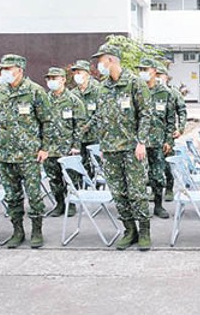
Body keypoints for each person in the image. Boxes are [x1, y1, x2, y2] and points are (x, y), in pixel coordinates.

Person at [92, 44, 152, 251]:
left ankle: (144, 231)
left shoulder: (134, 83)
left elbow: (146, 113)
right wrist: (102, 143)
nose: (98, 65)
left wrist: (141, 141)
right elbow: (100, 118)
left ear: (111, 60)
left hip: (131, 148)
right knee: (118, 192)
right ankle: (129, 230)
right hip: (110, 149)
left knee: (137, 191)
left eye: (100, 60)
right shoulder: (103, 87)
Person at [0, 54, 52, 248]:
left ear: (19, 70)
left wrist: (45, 147)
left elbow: (47, 121)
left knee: (34, 195)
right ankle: (17, 230)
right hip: (6, 154)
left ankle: (37, 230)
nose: (5, 72)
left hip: (29, 154)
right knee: (11, 195)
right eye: (3, 69)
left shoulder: (35, 91)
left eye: (9, 69)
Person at [42, 67, 87, 218]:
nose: (51, 81)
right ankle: (59, 203)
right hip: (49, 147)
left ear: (63, 79)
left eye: (54, 78)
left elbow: (80, 125)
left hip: (67, 147)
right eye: (49, 79)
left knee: (70, 177)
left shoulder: (74, 100)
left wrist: (76, 145)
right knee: (54, 178)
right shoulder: (44, 100)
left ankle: (71, 203)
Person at [137, 58, 175, 219]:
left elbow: (170, 119)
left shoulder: (165, 93)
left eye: (145, 69)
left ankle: (158, 206)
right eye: (140, 69)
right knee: (138, 176)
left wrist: (169, 140)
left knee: (158, 175)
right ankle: (140, 209)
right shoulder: (136, 90)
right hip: (140, 142)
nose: (142, 72)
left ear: (154, 71)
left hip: (158, 141)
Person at [70, 60, 100, 177]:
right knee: (81, 167)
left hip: (94, 135)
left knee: (97, 166)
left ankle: (96, 190)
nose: (77, 75)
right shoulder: (73, 94)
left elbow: (101, 111)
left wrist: (88, 125)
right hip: (78, 138)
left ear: (87, 74)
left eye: (79, 72)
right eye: (75, 73)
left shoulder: (97, 90)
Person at [162, 72, 187, 201]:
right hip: (150, 136)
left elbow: (182, 111)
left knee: (167, 163)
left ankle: (169, 188)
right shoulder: (146, 91)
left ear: (167, 77)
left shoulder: (173, 93)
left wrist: (181, 128)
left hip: (167, 134)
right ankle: (155, 188)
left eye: (161, 75)